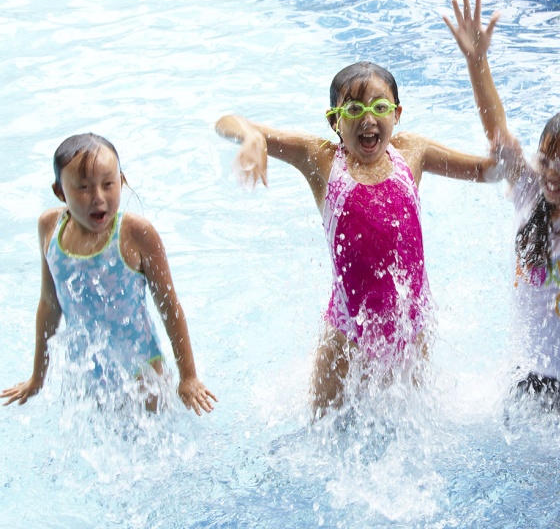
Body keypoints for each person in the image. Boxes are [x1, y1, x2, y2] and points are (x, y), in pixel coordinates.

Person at [215, 62, 496, 417]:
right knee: (321, 437)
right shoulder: (320, 159)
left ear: (397, 114)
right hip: (347, 341)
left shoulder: (413, 151)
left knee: (412, 432)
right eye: (353, 109)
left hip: (412, 334)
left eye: (380, 107)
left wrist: (477, 64)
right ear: (334, 121)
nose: (368, 119)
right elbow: (224, 122)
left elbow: (488, 171)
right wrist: (253, 136)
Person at [444, 0, 560, 421]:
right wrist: (477, 62)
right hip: (525, 377)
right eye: (546, 160)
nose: (551, 174)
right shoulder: (529, 195)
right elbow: (497, 131)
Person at [2, 134, 217, 415]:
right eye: (83, 187)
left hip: (143, 378)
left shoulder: (136, 234)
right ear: (59, 192)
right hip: (87, 378)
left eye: (108, 184)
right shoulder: (49, 227)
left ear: (122, 181)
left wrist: (188, 376)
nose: (98, 198)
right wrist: (37, 378)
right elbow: (49, 304)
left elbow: (169, 305)